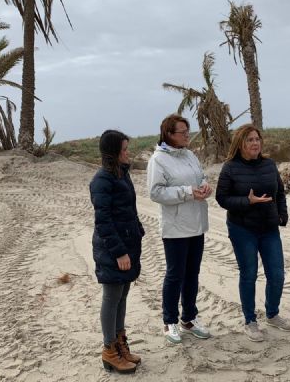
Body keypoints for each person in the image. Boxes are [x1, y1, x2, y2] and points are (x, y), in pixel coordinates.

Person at [215, 124, 290, 342]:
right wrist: (247, 201)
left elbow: (280, 193)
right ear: (240, 143)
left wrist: (282, 215)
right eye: (250, 140)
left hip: (269, 227)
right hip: (242, 228)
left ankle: (273, 313)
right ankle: (250, 321)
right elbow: (221, 198)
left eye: (257, 139)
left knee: (277, 274)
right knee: (249, 274)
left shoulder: (269, 164)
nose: (255, 143)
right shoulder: (230, 168)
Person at [147, 114, 212, 344]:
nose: (187, 135)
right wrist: (186, 192)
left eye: (187, 131)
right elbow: (155, 192)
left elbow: (201, 176)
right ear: (169, 134)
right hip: (175, 227)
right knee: (175, 275)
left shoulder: (190, 155)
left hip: (196, 223)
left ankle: (189, 318)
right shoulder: (158, 160)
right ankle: (170, 321)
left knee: (192, 274)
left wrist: (205, 186)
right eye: (182, 132)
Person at [90, 130, 145, 374]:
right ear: (113, 153)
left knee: (122, 296)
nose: (128, 152)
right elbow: (103, 221)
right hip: (113, 250)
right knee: (111, 297)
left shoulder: (123, 174)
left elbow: (128, 211)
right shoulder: (102, 180)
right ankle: (109, 351)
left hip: (128, 244)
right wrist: (119, 252)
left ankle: (121, 344)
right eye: (124, 149)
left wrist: (138, 231)